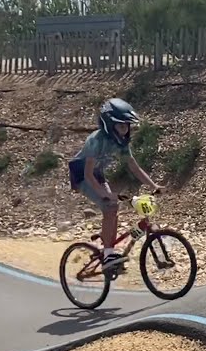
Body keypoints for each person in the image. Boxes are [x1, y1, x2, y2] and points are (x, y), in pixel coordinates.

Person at [68, 98, 162, 270]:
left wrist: (153, 185)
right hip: (81, 175)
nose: (125, 130)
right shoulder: (95, 140)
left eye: (127, 126)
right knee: (110, 205)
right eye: (120, 126)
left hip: (97, 174)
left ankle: (108, 251)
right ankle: (108, 255)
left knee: (113, 208)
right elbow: (88, 175)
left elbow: (134, 167)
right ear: (109, 125)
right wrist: (108, 195)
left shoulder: (121, 143)